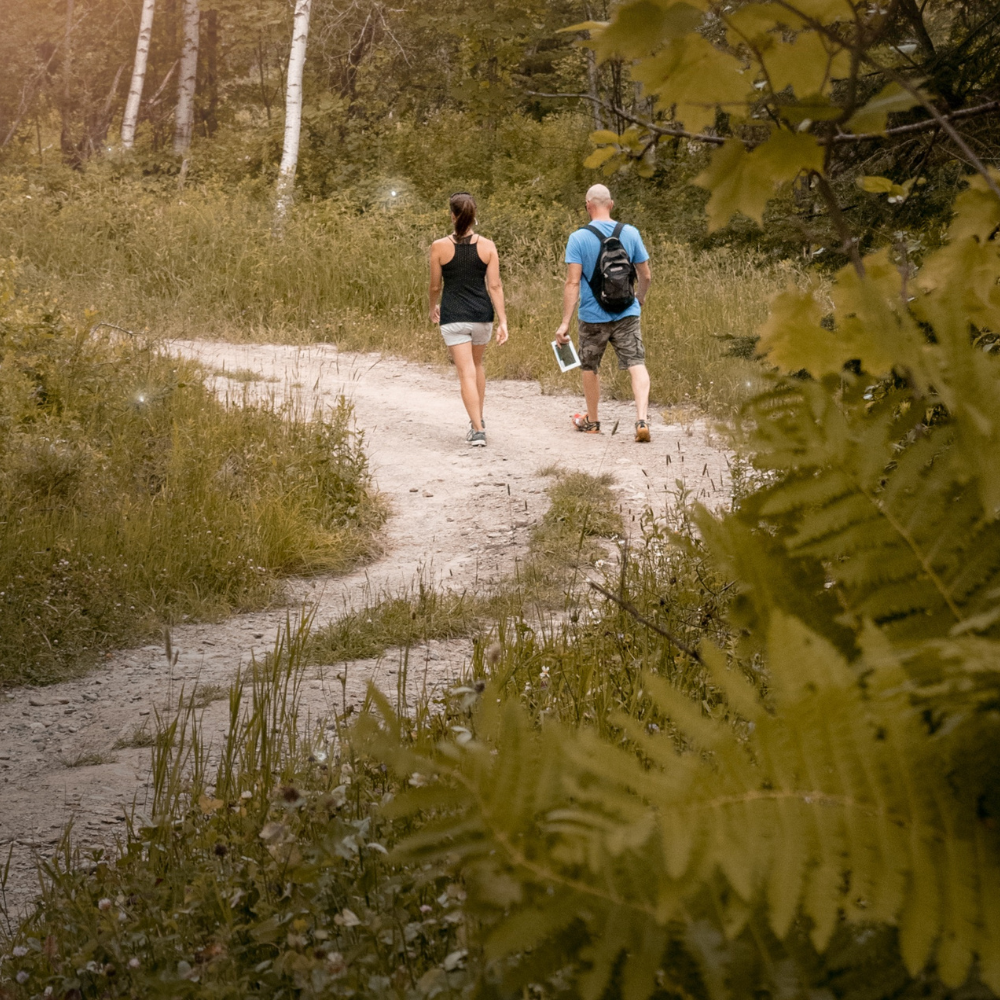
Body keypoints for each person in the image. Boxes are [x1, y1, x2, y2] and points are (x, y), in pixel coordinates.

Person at [554, 183, 653, 442]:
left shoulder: (578, 238)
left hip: (592, 316)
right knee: (636, 363)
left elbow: (572, 283)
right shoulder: (630, 233)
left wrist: (564, 322)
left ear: (588, 206)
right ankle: (641, 419)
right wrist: (639, 298)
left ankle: (593, 421)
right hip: (627, 312)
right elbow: (646, 275)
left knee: (590, 366)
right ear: (611, 205)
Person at [429, 192, 509, 447]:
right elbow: (495, 286)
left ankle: (477, 430)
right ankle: (479, 419)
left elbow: (434, 286)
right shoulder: (488, 246)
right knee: (477, 366)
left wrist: (433, 307)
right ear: (474, 216)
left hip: (453, 316)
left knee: (465, 372)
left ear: (452, 216)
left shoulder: (439, 246)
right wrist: (503, 321)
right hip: (481, 315)